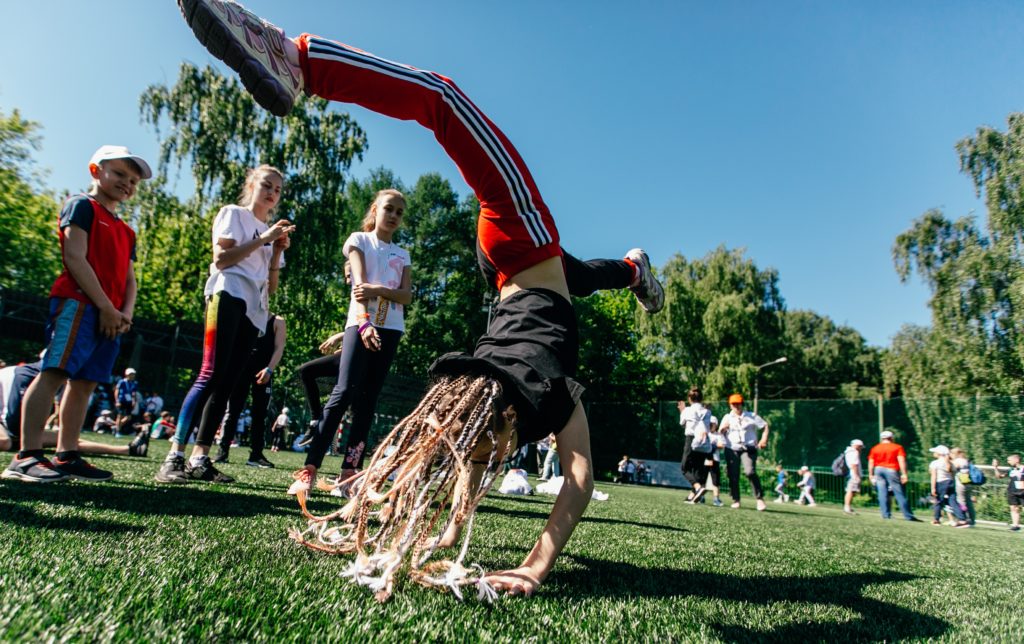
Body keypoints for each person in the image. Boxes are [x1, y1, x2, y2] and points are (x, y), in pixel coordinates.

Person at [176, 0, 666, 599]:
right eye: (482, 453)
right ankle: (635, 271)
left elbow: (554, 475)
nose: (478, 458)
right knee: (444, 104)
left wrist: (495, 550)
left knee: (445, 103)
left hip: (512, 263)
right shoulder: (547, 398)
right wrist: (525, 563)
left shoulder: (529, 407)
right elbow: (576, 479)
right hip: (524, 248)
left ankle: (299, 61)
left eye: (478, 450)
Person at [2, 146, 151, 482]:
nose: (126, 184)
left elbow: (130, 279)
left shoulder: (127, 232)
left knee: (84, 383)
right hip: (79, 305)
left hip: (111, 316)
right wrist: (106, 307)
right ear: (95, 171)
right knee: (54, 373)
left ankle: (68, 455)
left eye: (133, 180)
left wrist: (124, 313)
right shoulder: (81, 206)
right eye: (119, 174)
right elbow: (75, 257)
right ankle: (26, 456)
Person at [154, 164, 293, 484]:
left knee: (228, 383)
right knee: (210, 373)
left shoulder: (271, 234)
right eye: (267, 185)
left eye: (278, 190)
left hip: (254, 311)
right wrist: (265, 238)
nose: (272, 193)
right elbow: (222, 260)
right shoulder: (234, 214)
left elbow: (271, 288)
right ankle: (173, 456)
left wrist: (276, 251)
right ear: (252, 185)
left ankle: (200, 458)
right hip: (226, 294)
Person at [291, 188, 413, 491]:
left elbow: (406, 295)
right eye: (389, 209)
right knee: (343, 391)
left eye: (400, 212)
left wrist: (379, 291)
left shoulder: (403, 254)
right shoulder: (358, 241)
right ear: (375, 210)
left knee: (368, 401)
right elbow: (359, 287)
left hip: (392, 330)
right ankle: (309, 469)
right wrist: (363, 323)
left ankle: (350, 474)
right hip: (361, 325)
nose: (395, 216)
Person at [1, 362, 147, 459]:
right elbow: (10, 432)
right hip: (9, 425)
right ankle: (128, 449)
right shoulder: (23, 374)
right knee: (7, 441)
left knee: (65, 441)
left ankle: (128, 449)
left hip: (9, 417)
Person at [213, 314, 286, 468]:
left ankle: (256, 455)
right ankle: (222, 451)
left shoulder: (277, 321)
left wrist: (270, 369)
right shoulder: (245, 316)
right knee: (232, 410)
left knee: (259, 414)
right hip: (240, 370)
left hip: (263, 372)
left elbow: (280, 347)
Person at [719, 393, 770, 511]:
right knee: (733, 474)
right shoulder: (727, 417)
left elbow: (765, 426)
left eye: (738, 403)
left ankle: (759, 498)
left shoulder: (751, 416)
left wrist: (763, 439)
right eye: (734, 404)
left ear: (742, 404)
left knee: (750, 472)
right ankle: (736, 499)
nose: (736, 406)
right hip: (732, 448)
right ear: (730, 405)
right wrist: (722, 429)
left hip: (748, 448)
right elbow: (719, 432)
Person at [867, 431, 919, 521]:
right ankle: (908, 515)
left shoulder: (875, 448)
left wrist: (871, 474)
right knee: (899, 493)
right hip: (891, 469)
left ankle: (886, 514)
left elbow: (871, 462)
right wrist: (904, 474)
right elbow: (901, 461)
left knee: (882, 493)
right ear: (891, 438)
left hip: (878, 469)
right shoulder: (897, 447)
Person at [679, 387, 713, 503]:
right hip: (703, 440)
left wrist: (682, 410)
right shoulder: (707, 412)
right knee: (697, 469)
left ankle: (698, 488)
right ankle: (695, 495)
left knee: (685, 468)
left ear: (689, 398)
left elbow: (682, 424)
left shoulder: (687, 410)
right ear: (701, 398)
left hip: (691, 439)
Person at [928, 445, 969, 528]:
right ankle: (962, 519)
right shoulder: (950, 463)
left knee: (938, 501)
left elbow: (934, 476)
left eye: (935, 452)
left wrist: (933, 488)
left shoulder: (935, 463)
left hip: (941, 483)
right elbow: (952, 473)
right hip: (950, 482)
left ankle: (936, 519)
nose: (934, 453)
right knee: (953, 502)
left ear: (939, 453)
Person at [991, 454, 1023, 531]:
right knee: (1013, 508)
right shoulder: (1011, 469)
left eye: (1010, 460)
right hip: (1012, 491)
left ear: (1016, 460)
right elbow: (999, 476)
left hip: (1022, 492)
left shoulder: (1023, 468)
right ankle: (1015, 525)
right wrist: (995, 467)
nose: (1008, 462)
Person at [949, 447, 976, 526]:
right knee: (969, 502)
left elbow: (952, 469)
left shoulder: (957, 461)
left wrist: (950, 462)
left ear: (955, 454)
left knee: (961, 502)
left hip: (960, 484)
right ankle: (972, 520)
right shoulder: (966, 460)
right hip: (968, 483)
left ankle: (964, 519)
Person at [114, 367, 140, 436]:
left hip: (129, 401)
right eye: (131, 374)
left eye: (133, 374)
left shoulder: (135, 383)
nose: (132, 376)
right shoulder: (122, 382)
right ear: (127, 374)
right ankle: (117, 431)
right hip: (121, 400)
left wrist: (133, 401)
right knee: (120, 415)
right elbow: (117, 391)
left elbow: (134, 393)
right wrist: (117, 401)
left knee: (128, 417)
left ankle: (116, 427)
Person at [842, 439, 864, 514]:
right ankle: (847, 507)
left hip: (850, 474)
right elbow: (854, 465)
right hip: (853, 474)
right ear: (857, 446)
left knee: (851, 491)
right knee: (851, 491)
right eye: (860, 447)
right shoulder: (854, 452)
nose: (861, 449)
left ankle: (847, 507)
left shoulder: (848, 452)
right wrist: (856, 475)